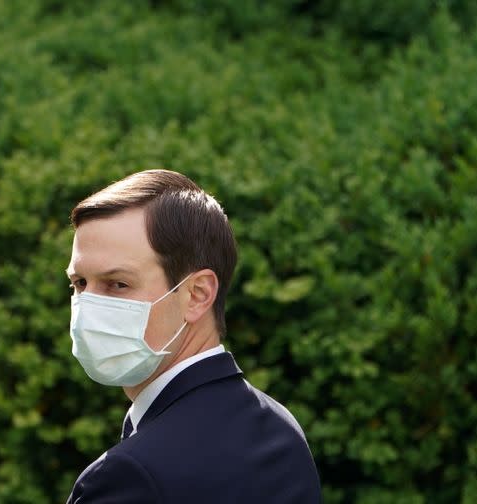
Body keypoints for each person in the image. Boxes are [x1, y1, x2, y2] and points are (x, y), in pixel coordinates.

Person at [64, 169, 321, 503]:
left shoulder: (129, 475)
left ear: (198, 294)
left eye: (118, 284)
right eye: (80, 283)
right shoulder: (282, 430)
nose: (89, 305)